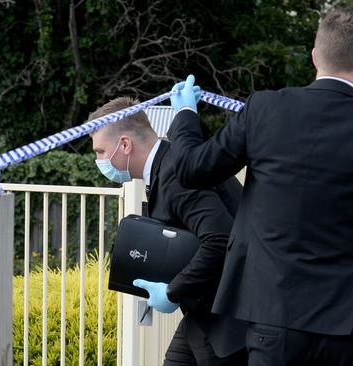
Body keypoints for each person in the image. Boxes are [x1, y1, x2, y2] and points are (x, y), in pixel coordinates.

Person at [166, 7, 353, 366]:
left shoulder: (263, 110)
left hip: (275, 321)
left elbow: (191, 170)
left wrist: (186, 115)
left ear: (314, 56)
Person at [89, 97, 248, 365]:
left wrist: (172, 292)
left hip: (228, 322)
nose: (99, 160)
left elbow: (220, 239)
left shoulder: (175, 173)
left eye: (100, 151)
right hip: (203, 313)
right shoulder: (167, 165)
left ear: (125, 144)